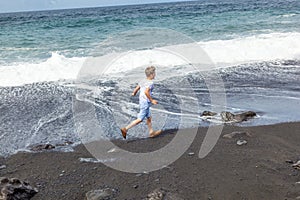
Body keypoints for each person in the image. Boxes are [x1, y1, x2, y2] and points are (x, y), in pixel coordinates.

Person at [121, 66, 162, 139]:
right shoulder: (150, 83)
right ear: (152, 74)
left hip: (142, 101)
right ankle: (126, 129)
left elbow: (137, 88)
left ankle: (151, 132)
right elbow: (146, 92)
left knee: (149, 117)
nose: (155, 74)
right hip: (145, 102)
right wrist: (152, 100)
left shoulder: (143, 80)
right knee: (140, 119)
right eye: (154, 73)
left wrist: (134, 93)